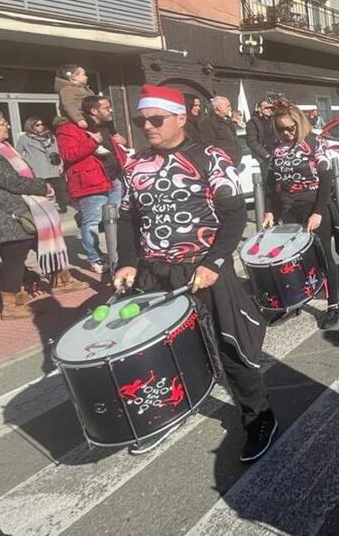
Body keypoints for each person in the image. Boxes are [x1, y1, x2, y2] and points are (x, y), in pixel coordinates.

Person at [113, 85, 275, 460]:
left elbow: (234, 216)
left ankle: (258, 415)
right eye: (142, 121)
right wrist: (126, 260)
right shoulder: (135, 165)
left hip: (204, 268)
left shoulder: (211, 157)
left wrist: (213, 262)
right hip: (155, 272)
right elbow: (126, 219)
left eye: (156, 120)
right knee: (158, 350)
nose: (147, 127)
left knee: (229, 344)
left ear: (181, 118)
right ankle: (163, 414)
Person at [0, 110, 85, 319]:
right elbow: (11, 182)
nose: (9, 126)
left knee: (43, 243)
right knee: (14, 257)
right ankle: (11, 304)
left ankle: (61, 280)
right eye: (3, 123)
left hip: (21, 210)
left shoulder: (3, 149)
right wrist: (42, 187)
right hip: (9, 215)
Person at [262, 104, 339, 329]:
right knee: (293, 259)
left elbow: (326, 181)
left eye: (289, 128)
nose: (286, 133)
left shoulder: (315, 144)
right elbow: (271, 183)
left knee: (323, 256)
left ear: (299, 123)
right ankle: (295, 302)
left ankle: (333, 305)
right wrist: (269, 210)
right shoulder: (277, 148)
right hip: (288, 209)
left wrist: (317, 212)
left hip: (313, 207)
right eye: (280, 129)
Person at [56, 95, 126, 275]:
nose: (110, 110)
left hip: (113, 179)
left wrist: (123, 147)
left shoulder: (105, 128)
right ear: (94, 111)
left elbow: (114, 152)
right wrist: (92, 141)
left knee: (114, 220)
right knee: (92, 221)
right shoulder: (68, 129)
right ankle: (95, 258)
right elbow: (68, 154)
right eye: (106, 107)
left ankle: (115, 253)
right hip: (90, 181)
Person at [16, 117, 70, 212]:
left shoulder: (50, 136)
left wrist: (60, 164)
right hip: (38, 168)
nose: (41, 126)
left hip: (53, 166)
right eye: (37, 125)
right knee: (43, 190)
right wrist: (28, 162)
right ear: (31, 126)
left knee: (60, 188)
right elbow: (18, 153)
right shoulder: (24, 138)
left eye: (42, 124)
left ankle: (63, 207)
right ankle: (45, 210)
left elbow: (56, 150)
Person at [54, 64, 95, 129]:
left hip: (92, 120)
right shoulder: (67, 90)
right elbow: (68, 105)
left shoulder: (86, 90)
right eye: (84, 74)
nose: (86, 77)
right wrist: (79, 119)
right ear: (73, 77)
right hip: (83, 123)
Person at [245, 96, 278, 177]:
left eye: (271, 108)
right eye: (266, 108)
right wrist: (266, 155)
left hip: (277, 155)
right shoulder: (253, 122)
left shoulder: (274, 120)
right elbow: (252, 142)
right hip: (265, 159)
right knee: (268, 182)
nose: (269, 109)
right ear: (259, 109)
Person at [201, 95, 240, 163]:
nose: (230, 108)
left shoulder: (227, 120)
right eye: (228, 106)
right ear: (219, 108)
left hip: (234, 163)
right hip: (222, 164)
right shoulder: (208, 122)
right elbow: (209, 145)